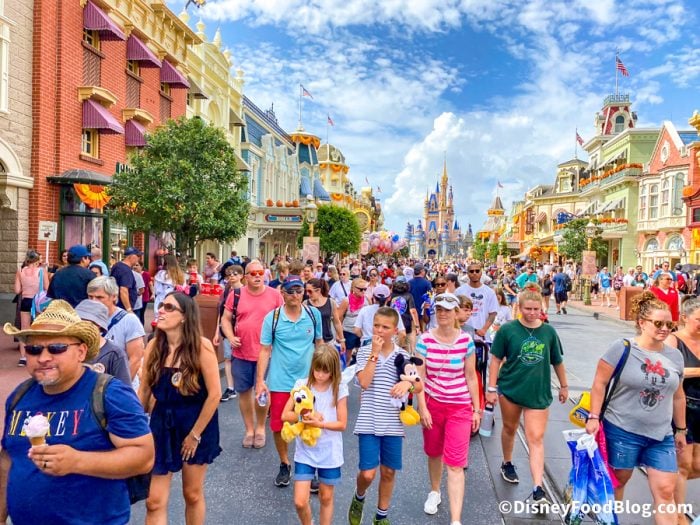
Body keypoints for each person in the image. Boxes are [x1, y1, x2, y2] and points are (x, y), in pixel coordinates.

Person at [1, 300, 154, 524]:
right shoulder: (20, 396)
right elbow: (7, 460)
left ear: (81, 351)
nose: (43, 357)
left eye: (57, 348)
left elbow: (144, 457)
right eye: (34, 349)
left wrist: (77, 461)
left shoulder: (109, 393)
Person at [585, 292, 686, 524]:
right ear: (642, 323)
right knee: (618, 482)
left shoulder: (675, 357)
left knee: (665, 491)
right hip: (622, 429)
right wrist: (593, 416)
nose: (664, 329)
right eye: (658, 323)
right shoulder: (622, 348)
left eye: (669, 324)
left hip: (661, 435)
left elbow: (678, 396)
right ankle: (609, 520)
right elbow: (599, 382)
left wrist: (681, 430)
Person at [139, 292, 222, 525]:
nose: (161, 310)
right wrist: (133, 427)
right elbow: (144, 390)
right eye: (160, 305)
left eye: (168, 307)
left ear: (184, 317)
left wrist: (195, 435)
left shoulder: (201, 347)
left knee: (192, 493)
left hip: (195, 422)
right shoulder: (155, 345)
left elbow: (215, 394)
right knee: (153, 500)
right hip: (162, 422)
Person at [486, 287, 568, 505]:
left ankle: (538, 487)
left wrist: (564, 386)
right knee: (510, 428)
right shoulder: (508, 330)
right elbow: (495, 359)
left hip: (537, 392)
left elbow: (557, 360)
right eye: (528, 309)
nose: (532, 313)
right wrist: (491, 388)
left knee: (536, 438)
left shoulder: (548, 332)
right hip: (511, 388)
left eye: (536, 309)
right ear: (519, 308)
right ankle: (507, 462)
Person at [348, 307, 421, 525]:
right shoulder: (363, 351)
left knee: (388, 471)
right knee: (368, 473)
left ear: (395, 330)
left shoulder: (403, 355)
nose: (379, 330)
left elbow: (418, 386)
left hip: (392, 422)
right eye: (376, 325)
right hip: (369, 420)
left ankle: (381, 515)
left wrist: (406, 382)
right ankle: (359, 496)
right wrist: (374, 354)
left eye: (385, 327)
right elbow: (364, 382)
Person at [415, 293, 481, 525]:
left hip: (459, 406)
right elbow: (418, 378)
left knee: (455, 463)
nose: (442, 313)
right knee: (434, 453)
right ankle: (435, 491)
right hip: (433, 403)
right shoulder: (424, 340)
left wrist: (477, 409)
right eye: (439, 309)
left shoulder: (466, 341)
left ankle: (455, 520)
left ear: (456, 313)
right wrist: (422, 408)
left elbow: (471, 376)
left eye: (447, 309)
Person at [256, 277, 323, 487]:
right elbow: (265, 350)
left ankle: (309, 468)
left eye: (299, 290)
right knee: (278, 426)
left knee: (310, 423)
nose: (295, 295)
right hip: (280, 381)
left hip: (308, 382)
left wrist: (326, 377)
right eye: (290, 291)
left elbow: (319, 344)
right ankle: (284, 463)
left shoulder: (314, 314)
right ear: (282, 294)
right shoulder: (272, 318)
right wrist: (260, 380)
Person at [220, 260, 284, 448]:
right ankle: (249, 429)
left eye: (260, 272)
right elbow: (225, 319)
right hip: (241, 353)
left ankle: (261, 428)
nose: (257, 276)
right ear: (245, 276)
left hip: (267, 354)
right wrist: (230, 336)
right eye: (253, 273)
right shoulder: (236, 294)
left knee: (263, 392)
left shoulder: (275, 295)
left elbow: (283, 320)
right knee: (244, 393)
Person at [282, 345, 348, 525]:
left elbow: (342, 424)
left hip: (329, 450)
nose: (320, 374)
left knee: (326, 497)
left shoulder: (339, 388)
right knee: (300, 501)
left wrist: (320, 423)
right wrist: (302, 414)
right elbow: (284, 415)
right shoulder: (302, 385)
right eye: (317, 369)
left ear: (333, 370)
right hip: (305, 450)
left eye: (325, 371)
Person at [664, 297, 700, 525]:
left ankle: (665, 489)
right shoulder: (673, 341)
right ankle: (677, 515)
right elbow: (667, 371)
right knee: (683, 465)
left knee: (697, 466)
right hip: (682, 408)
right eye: (699, 319)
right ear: (684, 318)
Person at [87, 276, 145, 381]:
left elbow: (135, 359)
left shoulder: (129, 321)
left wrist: (121, 388)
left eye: (100, 297)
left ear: (114, 297)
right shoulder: (84, 320)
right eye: (90, 297)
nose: (94, 301)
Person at [75, 299, 131, 385]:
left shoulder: (114, 354)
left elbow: (124, 390)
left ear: (98, 325)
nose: (79, 326)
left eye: (84, 321)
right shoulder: (70, 348)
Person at [212, 264, 244, 402]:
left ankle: (244, 385)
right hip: (227, 330)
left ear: (241, 276)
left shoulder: (245, 291)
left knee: (242, 359)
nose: (232, 276)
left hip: (241, 330)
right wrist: (216, 332)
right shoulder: (226, 291)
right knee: (228, 358)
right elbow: (221, 314)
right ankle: (231, 388)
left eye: (235, 274)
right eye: (229, 274)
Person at [14, 250, 49, 366]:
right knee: (39, 328)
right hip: (38, 302)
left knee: (24, 329)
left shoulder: (20, 271)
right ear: (37, 260)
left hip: (26, 301)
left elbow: (17, 290)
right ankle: (39, 353)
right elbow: (46, 287)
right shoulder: (42, 271)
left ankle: (23, 357)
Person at [455, 263, 498, 344]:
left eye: (477, 271)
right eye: (471, 271)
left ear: (481, 273)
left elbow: (493, 313)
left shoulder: (489, 292)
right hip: (462, 335)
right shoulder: (459, 291)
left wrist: (484, 329)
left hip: (482, 336)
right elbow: (454, 312)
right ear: (467, 274)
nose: (474, 273)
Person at [305, 278, 346, 360]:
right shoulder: (305, 304)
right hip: (311, 343)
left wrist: (342, 340)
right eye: (306, 291)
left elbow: (337, 322)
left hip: (328, 341)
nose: (307, 294)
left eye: (310, 291)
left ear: (318, 290)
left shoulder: (330, 302)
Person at [337, 278, 369, 365]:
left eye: (365, 289)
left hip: (362, 331)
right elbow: (338, 317)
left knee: (362, 354)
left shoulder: (366, 299)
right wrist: (339, 335)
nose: (363, 291)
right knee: (348, 354)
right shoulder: (346, 300)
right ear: (354, 288)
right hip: (349, 330)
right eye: (361, 289)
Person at [389, 276, 420, 353]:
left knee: (393, 348)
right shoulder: (409, 295)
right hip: (406, 326)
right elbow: (413, 311)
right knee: (405, 347)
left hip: (393, 325)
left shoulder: (391, 295)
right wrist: (417, 325)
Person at [110, 247, 141, 313]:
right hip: (122, 308)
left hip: (115, 305)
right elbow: (123, 290)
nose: (138, 259)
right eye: (138, 256)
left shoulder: (117, 265)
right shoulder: (125, 270)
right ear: (131, 256)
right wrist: (129, 309)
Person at [409, 264, 433, 331]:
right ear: (422, 271)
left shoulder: (409, 282)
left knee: (413, 331)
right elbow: (430, 296)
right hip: (423, 311)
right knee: (423, 331)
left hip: (412, 311)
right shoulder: (427, 283)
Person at [132, 261, 147, 325]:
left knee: (140, 316)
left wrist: (134, 294)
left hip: (139, 301)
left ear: (141, 267)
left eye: (137, 265)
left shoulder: (140, 275)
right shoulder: (134, 274)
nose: (135, 267)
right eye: (134, 265)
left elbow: (142, 290)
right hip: (135, 303)